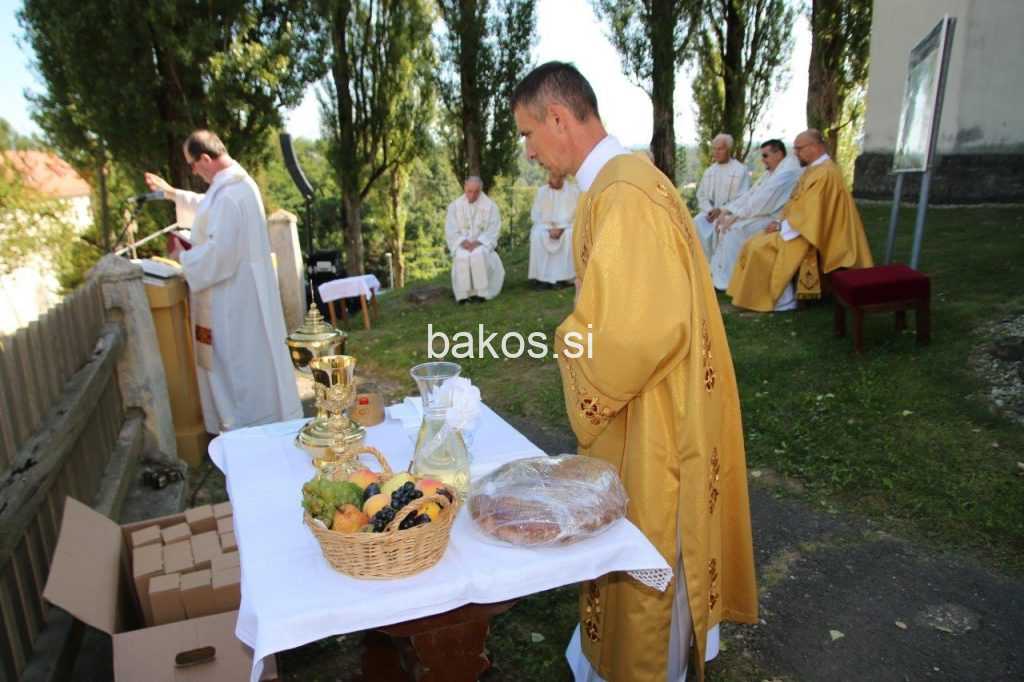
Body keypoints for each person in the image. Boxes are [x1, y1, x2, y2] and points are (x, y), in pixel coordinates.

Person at [511, 61, 757, 682]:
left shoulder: (623, 194)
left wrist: (570, 340)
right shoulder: (621, 183)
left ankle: (646, 667)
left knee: (651, 542)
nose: (529, 150)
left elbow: (638, 333)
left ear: (558, 118)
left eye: (528, 134)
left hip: (656, 418)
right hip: (654, 400)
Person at [144, 130, 302, 433]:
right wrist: (173, 193)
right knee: (248, 366)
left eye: (193, 164)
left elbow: (221, 254)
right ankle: (253, 424)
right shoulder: (232, 186)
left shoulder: (231, 193)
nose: (193, 171)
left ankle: (247, 429)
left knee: (239, 368)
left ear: (205, 158)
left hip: (234, 301)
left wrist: (183, 256)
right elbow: (208, 206)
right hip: (241, 293)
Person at [727, 129, 874, 312]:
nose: (795, 153)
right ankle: (755, 296)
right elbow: (798, 205)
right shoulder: (814, 169)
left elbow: (813, 212)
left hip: (813, 232)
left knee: (760, 248)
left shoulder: (825, 173)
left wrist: (782, 227)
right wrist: (780, 223)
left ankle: (782, 300)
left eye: (799, 148)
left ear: (814, 147)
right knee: (752, 242)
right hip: (802, 226)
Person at [708, 139, 803, 290]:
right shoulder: (771, 172)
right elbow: (751, 195)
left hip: (775, 219)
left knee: (733, 230)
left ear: (779, 154)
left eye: (765, 155)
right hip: (760, 214)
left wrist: (735, 216)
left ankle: (731, 279)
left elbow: (763, 202)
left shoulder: (787, 173)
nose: (762, 160)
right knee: (720, 223)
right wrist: (727, 210)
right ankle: (719, 273)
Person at [444, 176, 505, 303]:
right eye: (469, 191)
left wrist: (478, 242)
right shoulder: (455, 206)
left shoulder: (491, 206)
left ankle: (481, 293)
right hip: (463, 243)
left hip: (481, 244)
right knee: (462, 255)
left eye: (476, 192)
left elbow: (493, 229)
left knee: (478, 254)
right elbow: (451, 229)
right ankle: (463, 295)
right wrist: (462, 242)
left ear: (480, 190)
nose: (472, 195)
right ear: (465, 188)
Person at [694, 133, 751, 259]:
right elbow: (701, 195)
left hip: (731, 214)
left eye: (720, 149)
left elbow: (743, 197)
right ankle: (704, 263)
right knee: (697, 222)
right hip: (710, 214)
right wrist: (710, 210)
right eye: (714, 149)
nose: (716, 152)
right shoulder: (710, 171)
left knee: (726, 230)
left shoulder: (740, 170)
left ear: (728, 149)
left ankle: (721, 267)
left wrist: (721, 210)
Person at [528, 170, 580, 287]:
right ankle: (542, 279)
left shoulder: (573, 192)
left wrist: (562, 228)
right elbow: (536, 215)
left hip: (567, 227)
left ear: (563, 177)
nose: (551, 180)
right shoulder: (542, 192)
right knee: (537, 234)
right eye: (550, 177)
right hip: (546, 227)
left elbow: (577, 216)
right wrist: (549, 228)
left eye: (555, 177)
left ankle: (564, 278)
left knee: (569, 235)